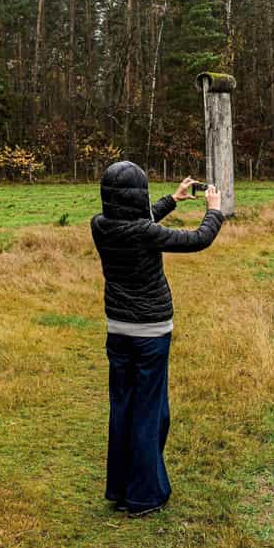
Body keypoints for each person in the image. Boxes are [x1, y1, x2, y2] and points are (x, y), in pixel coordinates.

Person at [91, 160, 223, 516]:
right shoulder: (144, 233)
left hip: (117, 329)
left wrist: (174, 199)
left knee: (123, 408)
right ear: (140, 193)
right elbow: (198, 239)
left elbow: (137, 219)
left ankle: (120, 490)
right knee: (151, 413)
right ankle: (146, 495)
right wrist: (214, 210)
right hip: (151, 332)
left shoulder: (100, 226)